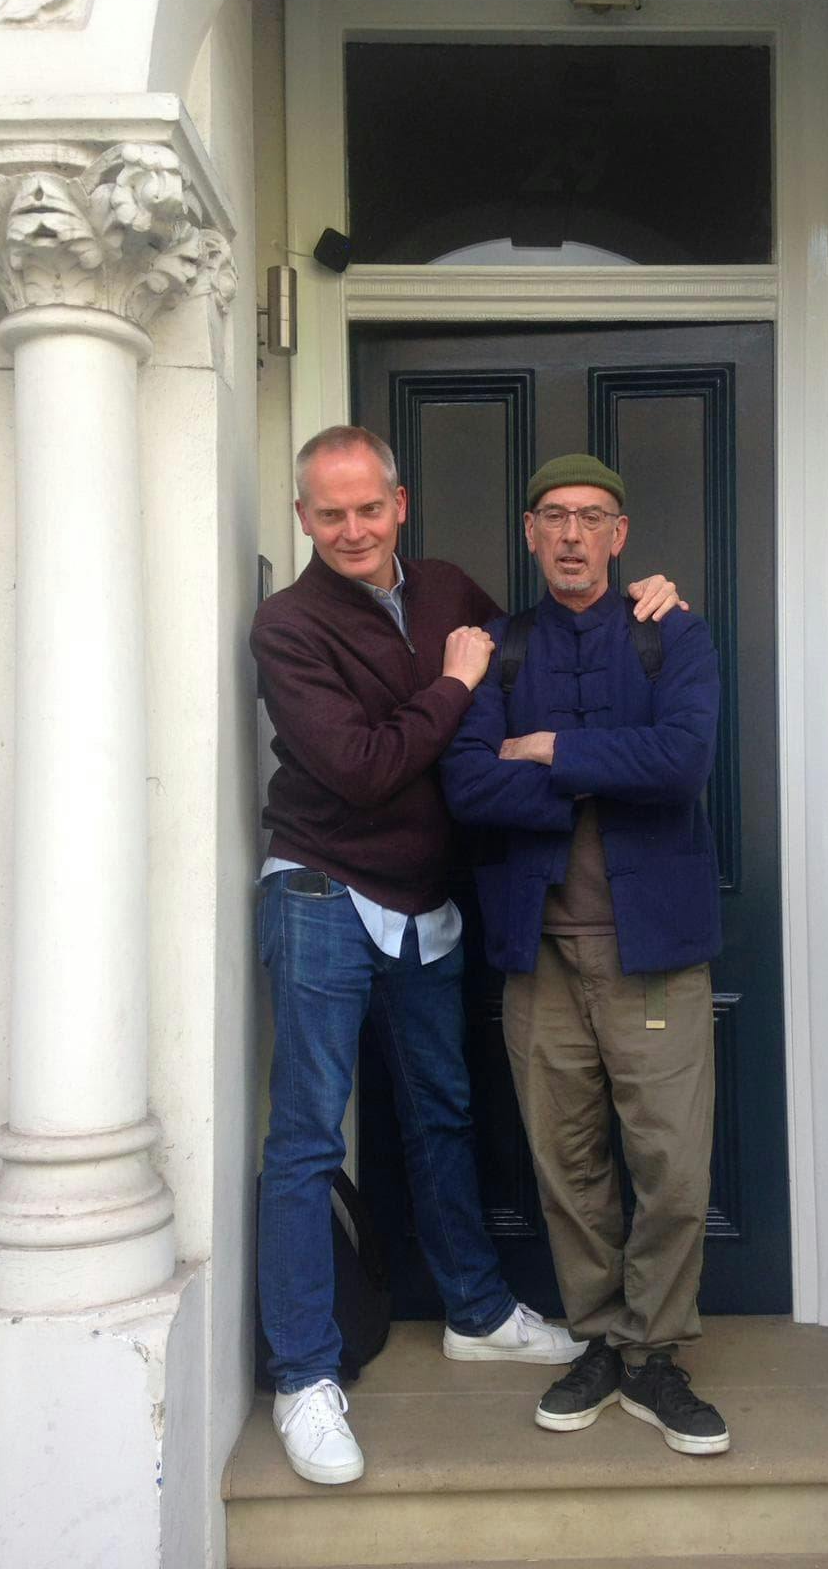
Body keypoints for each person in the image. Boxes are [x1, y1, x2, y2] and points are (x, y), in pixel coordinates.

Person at [250, 426, 684, 1487]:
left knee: (442, 1113)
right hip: (321, 889)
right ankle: (304, 1373)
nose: (353, 529)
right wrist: (451, 687)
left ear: (400, 505)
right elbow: (363, 768)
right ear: (304, 518)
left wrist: (647, 601)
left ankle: (477, 1312)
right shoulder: (289, 625)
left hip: (427, 902)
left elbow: (538, 667)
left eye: (370, 507)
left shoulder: (450, 588)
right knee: (306, 1139)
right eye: (329, 513)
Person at [440, 453, 730, 1457]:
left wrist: (551, 749)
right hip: (541, 953)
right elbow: (468, 785)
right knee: (566, 1165)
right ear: (530, 532)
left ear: (619, 532)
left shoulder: (670, 633)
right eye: (554, 516)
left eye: (592, 516)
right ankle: (604, 1340)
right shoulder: (503, 649)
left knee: (672, 1166)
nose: (572, 534)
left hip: (656, 950)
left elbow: (683, 760)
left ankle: (655, 1353)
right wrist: (609, 769)